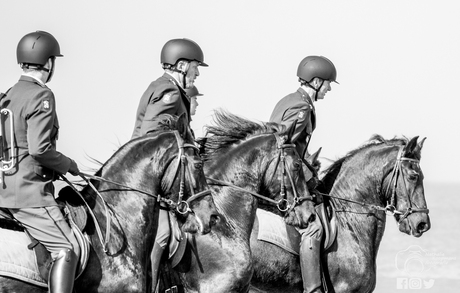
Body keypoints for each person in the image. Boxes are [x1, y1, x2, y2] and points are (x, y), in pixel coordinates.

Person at [0, 31, 81, 293]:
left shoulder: (10, 95)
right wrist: (67, 164)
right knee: (66, 251)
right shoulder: (41, 96)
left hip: (3, 188)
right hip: (28, 194)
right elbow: (39, 149)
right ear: (48, 63)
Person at [130, 38, 207, 290]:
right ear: (182, 65)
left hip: (157, 178)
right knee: (162, 235)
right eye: (195, 67)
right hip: (153, 180)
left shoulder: (162, 86)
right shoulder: (171, 93)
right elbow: (152, 140)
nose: (196, 73)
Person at [269, 55, 338, 293]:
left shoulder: (291, 99)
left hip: (291, 173)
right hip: (285, 178)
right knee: (314, 227)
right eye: (328, 83)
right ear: (316, 81)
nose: (329, 88)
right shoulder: (301, 107)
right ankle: (313, 288)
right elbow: (283, 148)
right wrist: (308, 178)